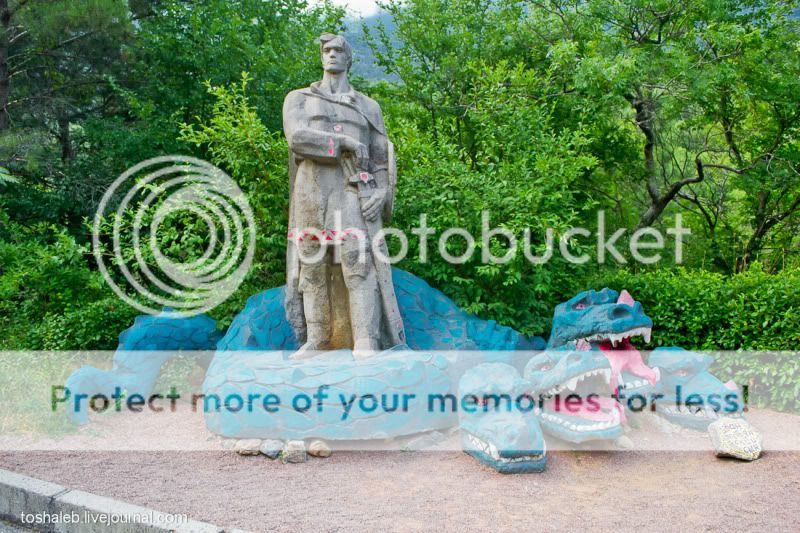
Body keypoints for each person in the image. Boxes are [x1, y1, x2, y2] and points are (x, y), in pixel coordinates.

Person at [282, 33, 404, 359]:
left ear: (349, 58)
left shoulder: (368, 107)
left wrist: (381, 192)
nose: (332, 54)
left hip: (351, 190)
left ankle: (366, 339)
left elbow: (380, 157)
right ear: (321, 56)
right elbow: (297, 138)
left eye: (338, 50)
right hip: (311, 189)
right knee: (312, 264)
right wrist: (343, 143)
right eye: (327, 50)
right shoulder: (299, 98)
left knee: (357, 261)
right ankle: (317, 338)